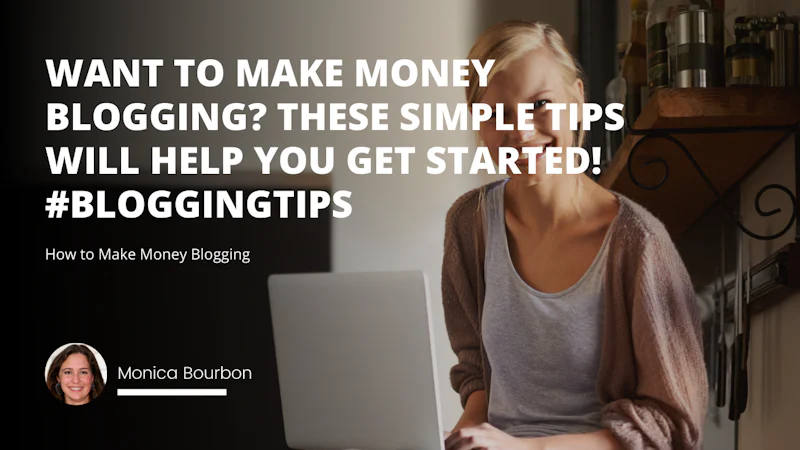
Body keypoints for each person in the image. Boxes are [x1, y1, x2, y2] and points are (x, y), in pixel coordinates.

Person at [441, 20, 707, 450]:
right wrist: (468, 434)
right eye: (496, 113)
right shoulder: (468, 224)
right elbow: (476, 369)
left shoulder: (640, 244)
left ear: (578, 100)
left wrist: (528, 448)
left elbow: (671, 424)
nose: (521, 133)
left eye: (540, 105)